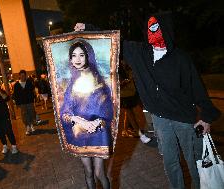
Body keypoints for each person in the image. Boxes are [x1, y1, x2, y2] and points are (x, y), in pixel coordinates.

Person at [76, 13, 221, 189]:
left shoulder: (181, 58)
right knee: (171, 162)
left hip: (184, 118)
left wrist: (206, 116)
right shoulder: (140, 53)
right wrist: (88, 28)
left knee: (194, 163)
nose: (152, 32)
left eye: (156, 28)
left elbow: (197, 87)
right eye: (149, 28)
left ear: (166, 29)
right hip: (160, 119)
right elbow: (113, 39)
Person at [60, 40, 113, 189]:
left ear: (88, 56)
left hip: (98, 131)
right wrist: (78, 120)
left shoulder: (99, 81)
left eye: (81, 55)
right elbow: (65, 112)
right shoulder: (70, 84)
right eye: (74, 55)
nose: (77, 59)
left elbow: (108, 108)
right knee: (88, 172)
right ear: (70, 59)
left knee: (99, 173)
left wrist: (97, 122)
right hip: (80, 132)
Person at [119, 61, 151, 143]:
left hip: (131, 91)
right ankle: (138, 133)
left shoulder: (127, 65)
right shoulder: (117, 66)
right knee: (130, 112)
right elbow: (116, 82)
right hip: (124, 93)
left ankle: (125, 130)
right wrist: (125, 82)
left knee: (129, 111)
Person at [13, 70, 36, 135]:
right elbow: (16, 95)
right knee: (24, 114)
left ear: (25, 76)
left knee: (31, 113)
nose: (23, 77)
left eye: (24, 75)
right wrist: (17, 104)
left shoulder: (29, 82)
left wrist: (33, 99)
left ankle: (31, 124)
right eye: (21, 75)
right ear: (19, 76)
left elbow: (32, 91)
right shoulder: (16, 85)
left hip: (29, 101)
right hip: (22, 103)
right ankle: (28, 127)